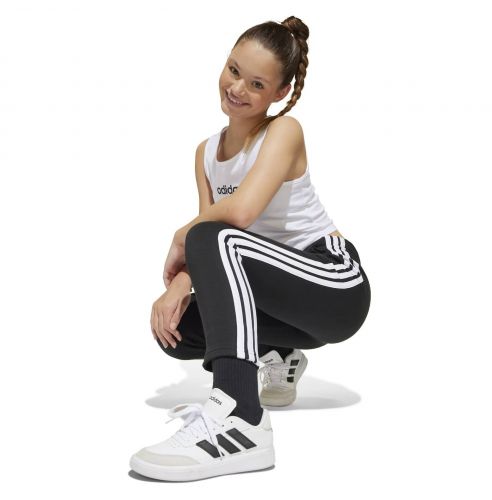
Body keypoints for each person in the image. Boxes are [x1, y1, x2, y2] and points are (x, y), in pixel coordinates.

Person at [130, 16, 371, 482]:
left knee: (210, 237)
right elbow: (213, 236)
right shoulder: (205, 152)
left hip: (334, 283)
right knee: (180, 329)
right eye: (234, 70)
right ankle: (278, 351)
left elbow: (236, 216)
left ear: (280, 93)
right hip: (277, 295)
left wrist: (181, 236)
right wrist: (179, 286)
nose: (237, 88)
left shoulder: (284, 131)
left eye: (257, 84)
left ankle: (241, 418)